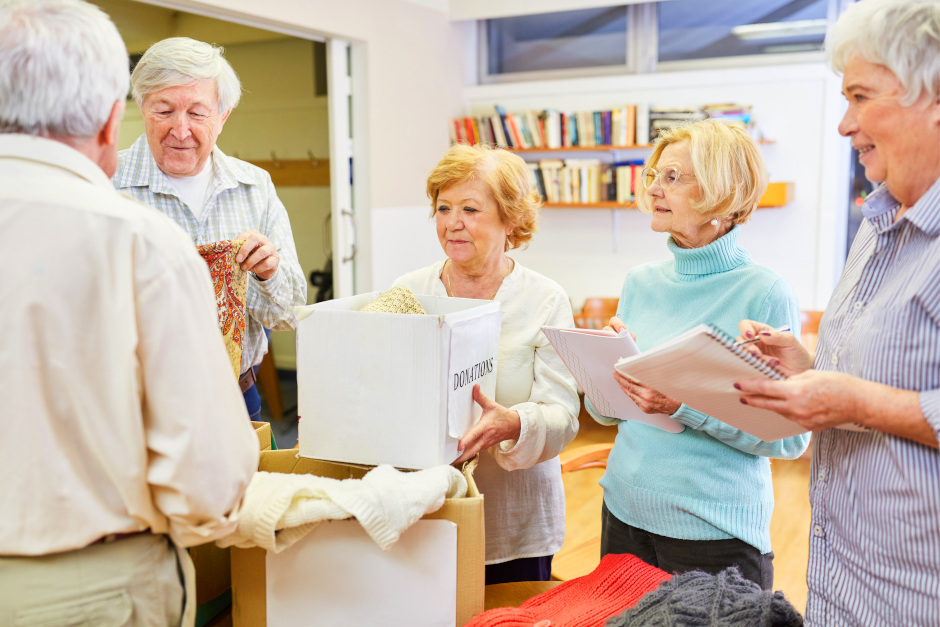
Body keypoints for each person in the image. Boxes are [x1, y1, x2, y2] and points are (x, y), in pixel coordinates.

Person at [0, 1, 259, 624]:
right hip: (94, 586)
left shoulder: (240, 190)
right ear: (114, 118)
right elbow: (207, 476)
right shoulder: (139, 242)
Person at [735, 0, 940, 623]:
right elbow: (888, 373)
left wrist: (856, 401)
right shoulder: (876, 225)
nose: (845, 125)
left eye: (861, 97)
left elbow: (870, 398)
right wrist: (808, 368)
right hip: (841, 581)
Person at [586, 119, 810, 590]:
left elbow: (789, 440)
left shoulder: (764, 292)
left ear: (721, 194)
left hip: (712, 535)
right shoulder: (640, 281)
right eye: (654, 175)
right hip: (623, 514)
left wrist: (682, 406)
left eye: (673, 177)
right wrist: (602, 370)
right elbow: (608, 415)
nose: (654, 189)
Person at [394, 143, 580, 584]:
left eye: (470, 209)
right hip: (425, 512)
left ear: (510, 219)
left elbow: (564, 416)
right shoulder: (407, 292)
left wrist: (513, 424)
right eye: (443, 208)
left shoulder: (545, 299)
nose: (452, 223)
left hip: (516, 520)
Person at [113, 36, 306, 421]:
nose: (180, 130)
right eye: (164, 110)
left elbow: (289, 315)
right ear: (142, 107)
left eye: (197, 113)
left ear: (223, 116)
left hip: (238, 401)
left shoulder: (254, 187)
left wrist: (268, 273)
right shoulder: (106, 184)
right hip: (137, 408)